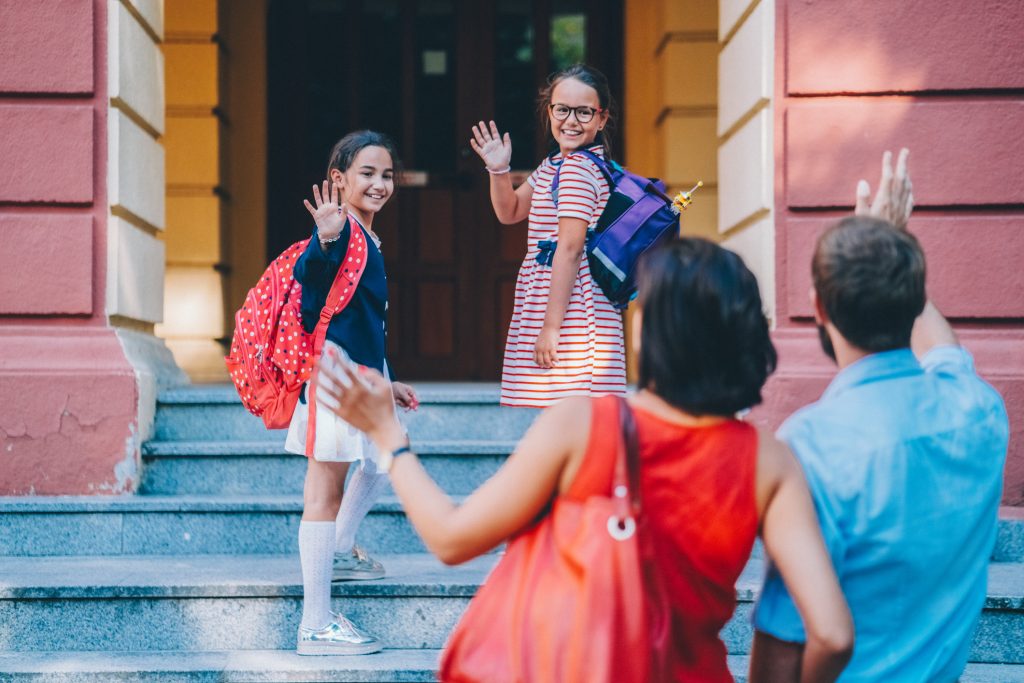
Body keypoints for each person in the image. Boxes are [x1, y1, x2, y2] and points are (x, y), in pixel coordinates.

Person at [318, 238, 854, 680]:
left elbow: (452, 537)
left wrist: (389, 437)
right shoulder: (769, 461)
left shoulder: (583, 424)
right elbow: (831, 634)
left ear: (649, 333)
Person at [751, 150, 1010, 682]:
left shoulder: (809, 443)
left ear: (819, 307)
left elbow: (783, 642)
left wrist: (883, 241)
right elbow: (942, 346)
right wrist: (890, 243)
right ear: (913, 299)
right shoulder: (979, 408)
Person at [287, 130, 418, 656]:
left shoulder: (367, 236)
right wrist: (324, 239)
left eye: (387, 175)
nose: (380, 184)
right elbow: (310, 282)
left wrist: (388, 377)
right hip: (334, 377)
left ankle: (341, 547)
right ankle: (315, 624)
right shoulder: (339, 231)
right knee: (323, 492)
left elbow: (363, 322)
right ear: (338, 179)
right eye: (367, 173)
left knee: (389, 452)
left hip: (361, 374)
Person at [470, 64, 626, 407]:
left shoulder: (577, 170)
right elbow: (510, 211)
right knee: (566, 407)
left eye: (584, 112)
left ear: (601, 119)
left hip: (572, 305)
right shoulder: (555, 164)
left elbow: (570, 250)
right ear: (549, 112)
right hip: (560, 295)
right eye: (562, 109)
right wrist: (498, 170)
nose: (571, 121)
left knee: (566, 406)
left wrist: (552, 327)